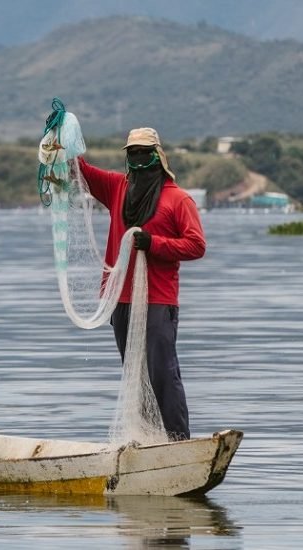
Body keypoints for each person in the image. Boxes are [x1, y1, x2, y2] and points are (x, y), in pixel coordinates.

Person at [76, 127, 206, 441]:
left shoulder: (178, 199)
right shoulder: (117, 188)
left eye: (143, 153)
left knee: (161, 372)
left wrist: (154, 243)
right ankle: (148, 440)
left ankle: (177, 441)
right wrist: (60, 138)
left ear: (157, 156)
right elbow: (79, 171)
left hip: (159, 299)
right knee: (134, 375)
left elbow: (196, 245)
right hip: (120, 298)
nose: (137, 160)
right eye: (132, 153)